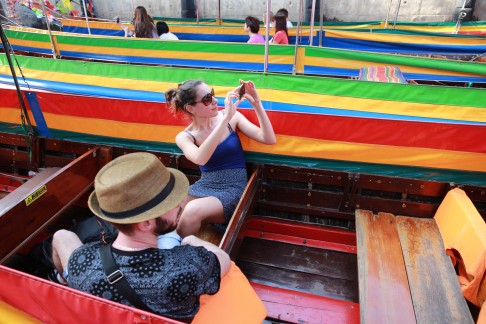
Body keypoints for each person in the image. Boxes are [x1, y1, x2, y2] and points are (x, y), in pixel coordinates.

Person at [51, 152, 231, 322]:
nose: (181, 203)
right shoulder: (189, 265)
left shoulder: (80, 262)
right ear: (145, 224)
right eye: (170, 203)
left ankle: (61, 280)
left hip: (91, 290)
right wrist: (190, 240)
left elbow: (64, 242)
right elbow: (224, 260)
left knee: (62, 235)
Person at [164, 80, 276, 239]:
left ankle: (176, 253)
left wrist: (257, 103)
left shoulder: (231, 117)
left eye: (212, 94)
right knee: (168, 204)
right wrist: (225, 119)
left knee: (192, 210)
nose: (215, 101)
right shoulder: (185, 137)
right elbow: (200, 159)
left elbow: (268, 138)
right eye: (207, 99)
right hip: (206, 184)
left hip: (233, 188)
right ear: (190, 108)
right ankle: (167, 246)